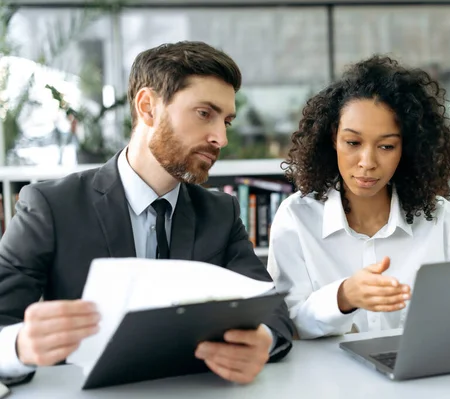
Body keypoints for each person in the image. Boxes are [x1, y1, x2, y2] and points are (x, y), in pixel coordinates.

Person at [0, 41, 293, 386]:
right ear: (147, 107)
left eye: (226, 121)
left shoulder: (220, 212)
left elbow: (272, 311)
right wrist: (20, 345)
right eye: (204, 113)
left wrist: (262, 340)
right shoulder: (51, 207)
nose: (220, 138)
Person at [267, 55, 450, 340]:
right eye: (353, 143)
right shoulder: (296, 218)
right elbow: (287, 322)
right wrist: (344, 296)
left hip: (421, 373)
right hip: (330, 379)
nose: (367, 162)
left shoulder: (439, 217)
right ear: (333, 138)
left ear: (407, 148)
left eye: (386, 146)